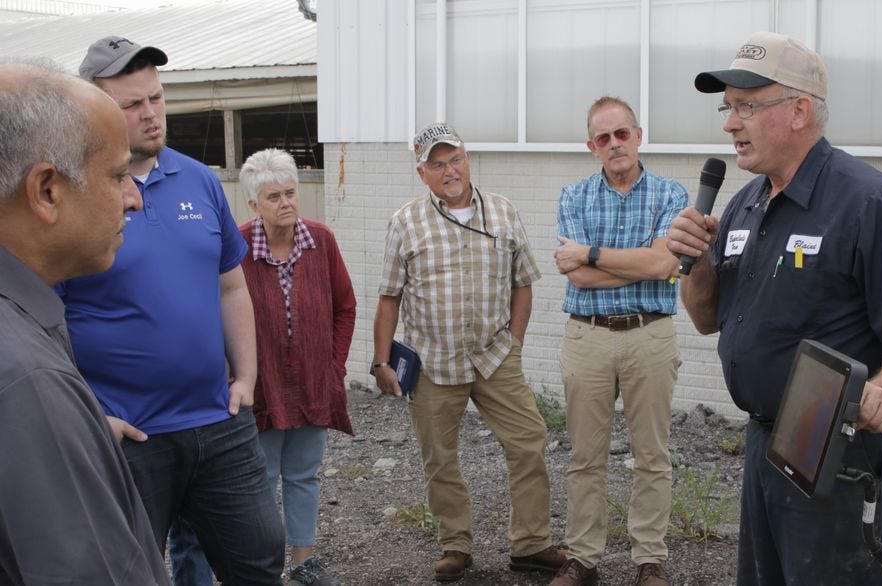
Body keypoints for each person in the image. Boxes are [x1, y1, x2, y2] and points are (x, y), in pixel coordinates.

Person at [665, 32, 882, 585]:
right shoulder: (745, 203)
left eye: (746, 106)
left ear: (798, 111)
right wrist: (694, 262)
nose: (729, 123)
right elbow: (705, 319)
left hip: (844, 449)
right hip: (767, 442)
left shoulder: (870, 203)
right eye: (727, 107)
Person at [57, 36, 285, 584]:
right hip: (129, 435)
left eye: (156, 98)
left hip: (218, 421)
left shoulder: (199, 179)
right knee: (127, 572)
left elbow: (232, 287)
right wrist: (90, 417)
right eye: (131, 106)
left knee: (259, 558)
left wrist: (247, 377)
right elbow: (43, 322)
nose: (150, 114)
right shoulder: (72, 197)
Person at [373, 122, 567, 582]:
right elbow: (388, 297)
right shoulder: (405, 222)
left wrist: (514, 345)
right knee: (440, 456)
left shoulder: (502, 212)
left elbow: (523, 284)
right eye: (437, 164)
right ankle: (455, 544)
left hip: (495, 357)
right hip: (434, 362)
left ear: (468, 157)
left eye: (454, 158)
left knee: (528, 442)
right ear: (422, 173)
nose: (449, 170)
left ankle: (531, 543)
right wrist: (381, 361)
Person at [0, 59, 169, 585]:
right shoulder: (27, 381)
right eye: (118, 175)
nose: (134, 198)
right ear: (47, 190)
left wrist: (81, 431)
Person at [550, 96, 688, 586]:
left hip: (650, 335)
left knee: (652, 455)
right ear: (592, 146)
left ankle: (648, 558)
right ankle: (583, 558)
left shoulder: (672, 195)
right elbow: (578, 279)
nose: (614, 145)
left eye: (622, 134)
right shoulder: (573, 197)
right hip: (587, 338)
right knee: (585, 456)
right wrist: (643, 263)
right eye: (603, 138)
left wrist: (593, 254)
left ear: (638, 135)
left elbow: (665, 266)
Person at [238, 148, 357, 586]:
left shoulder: (321, 241)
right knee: (262, 477)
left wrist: (334, 367)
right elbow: (221, 314)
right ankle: (265, 565)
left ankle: (304, 562)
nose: (286, 203)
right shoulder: (237, 247)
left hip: (313, 382)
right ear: (254, 204)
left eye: (290, 193)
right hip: (261, 384)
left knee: (304, 474)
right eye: (274, 197)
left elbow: (345, 307)